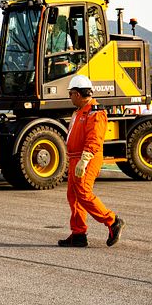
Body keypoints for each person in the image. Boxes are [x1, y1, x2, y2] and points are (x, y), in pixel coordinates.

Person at [58, 75, 125, 248]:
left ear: (78, 94)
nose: (70, 97)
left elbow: (94, 138)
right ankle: (78, 234)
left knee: (83, 193)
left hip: (86, 157)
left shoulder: (95, 112)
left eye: (71, 93)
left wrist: (84, 159)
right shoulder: (80, 111)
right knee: (74, 196)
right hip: (76, 158)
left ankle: (112, 221)